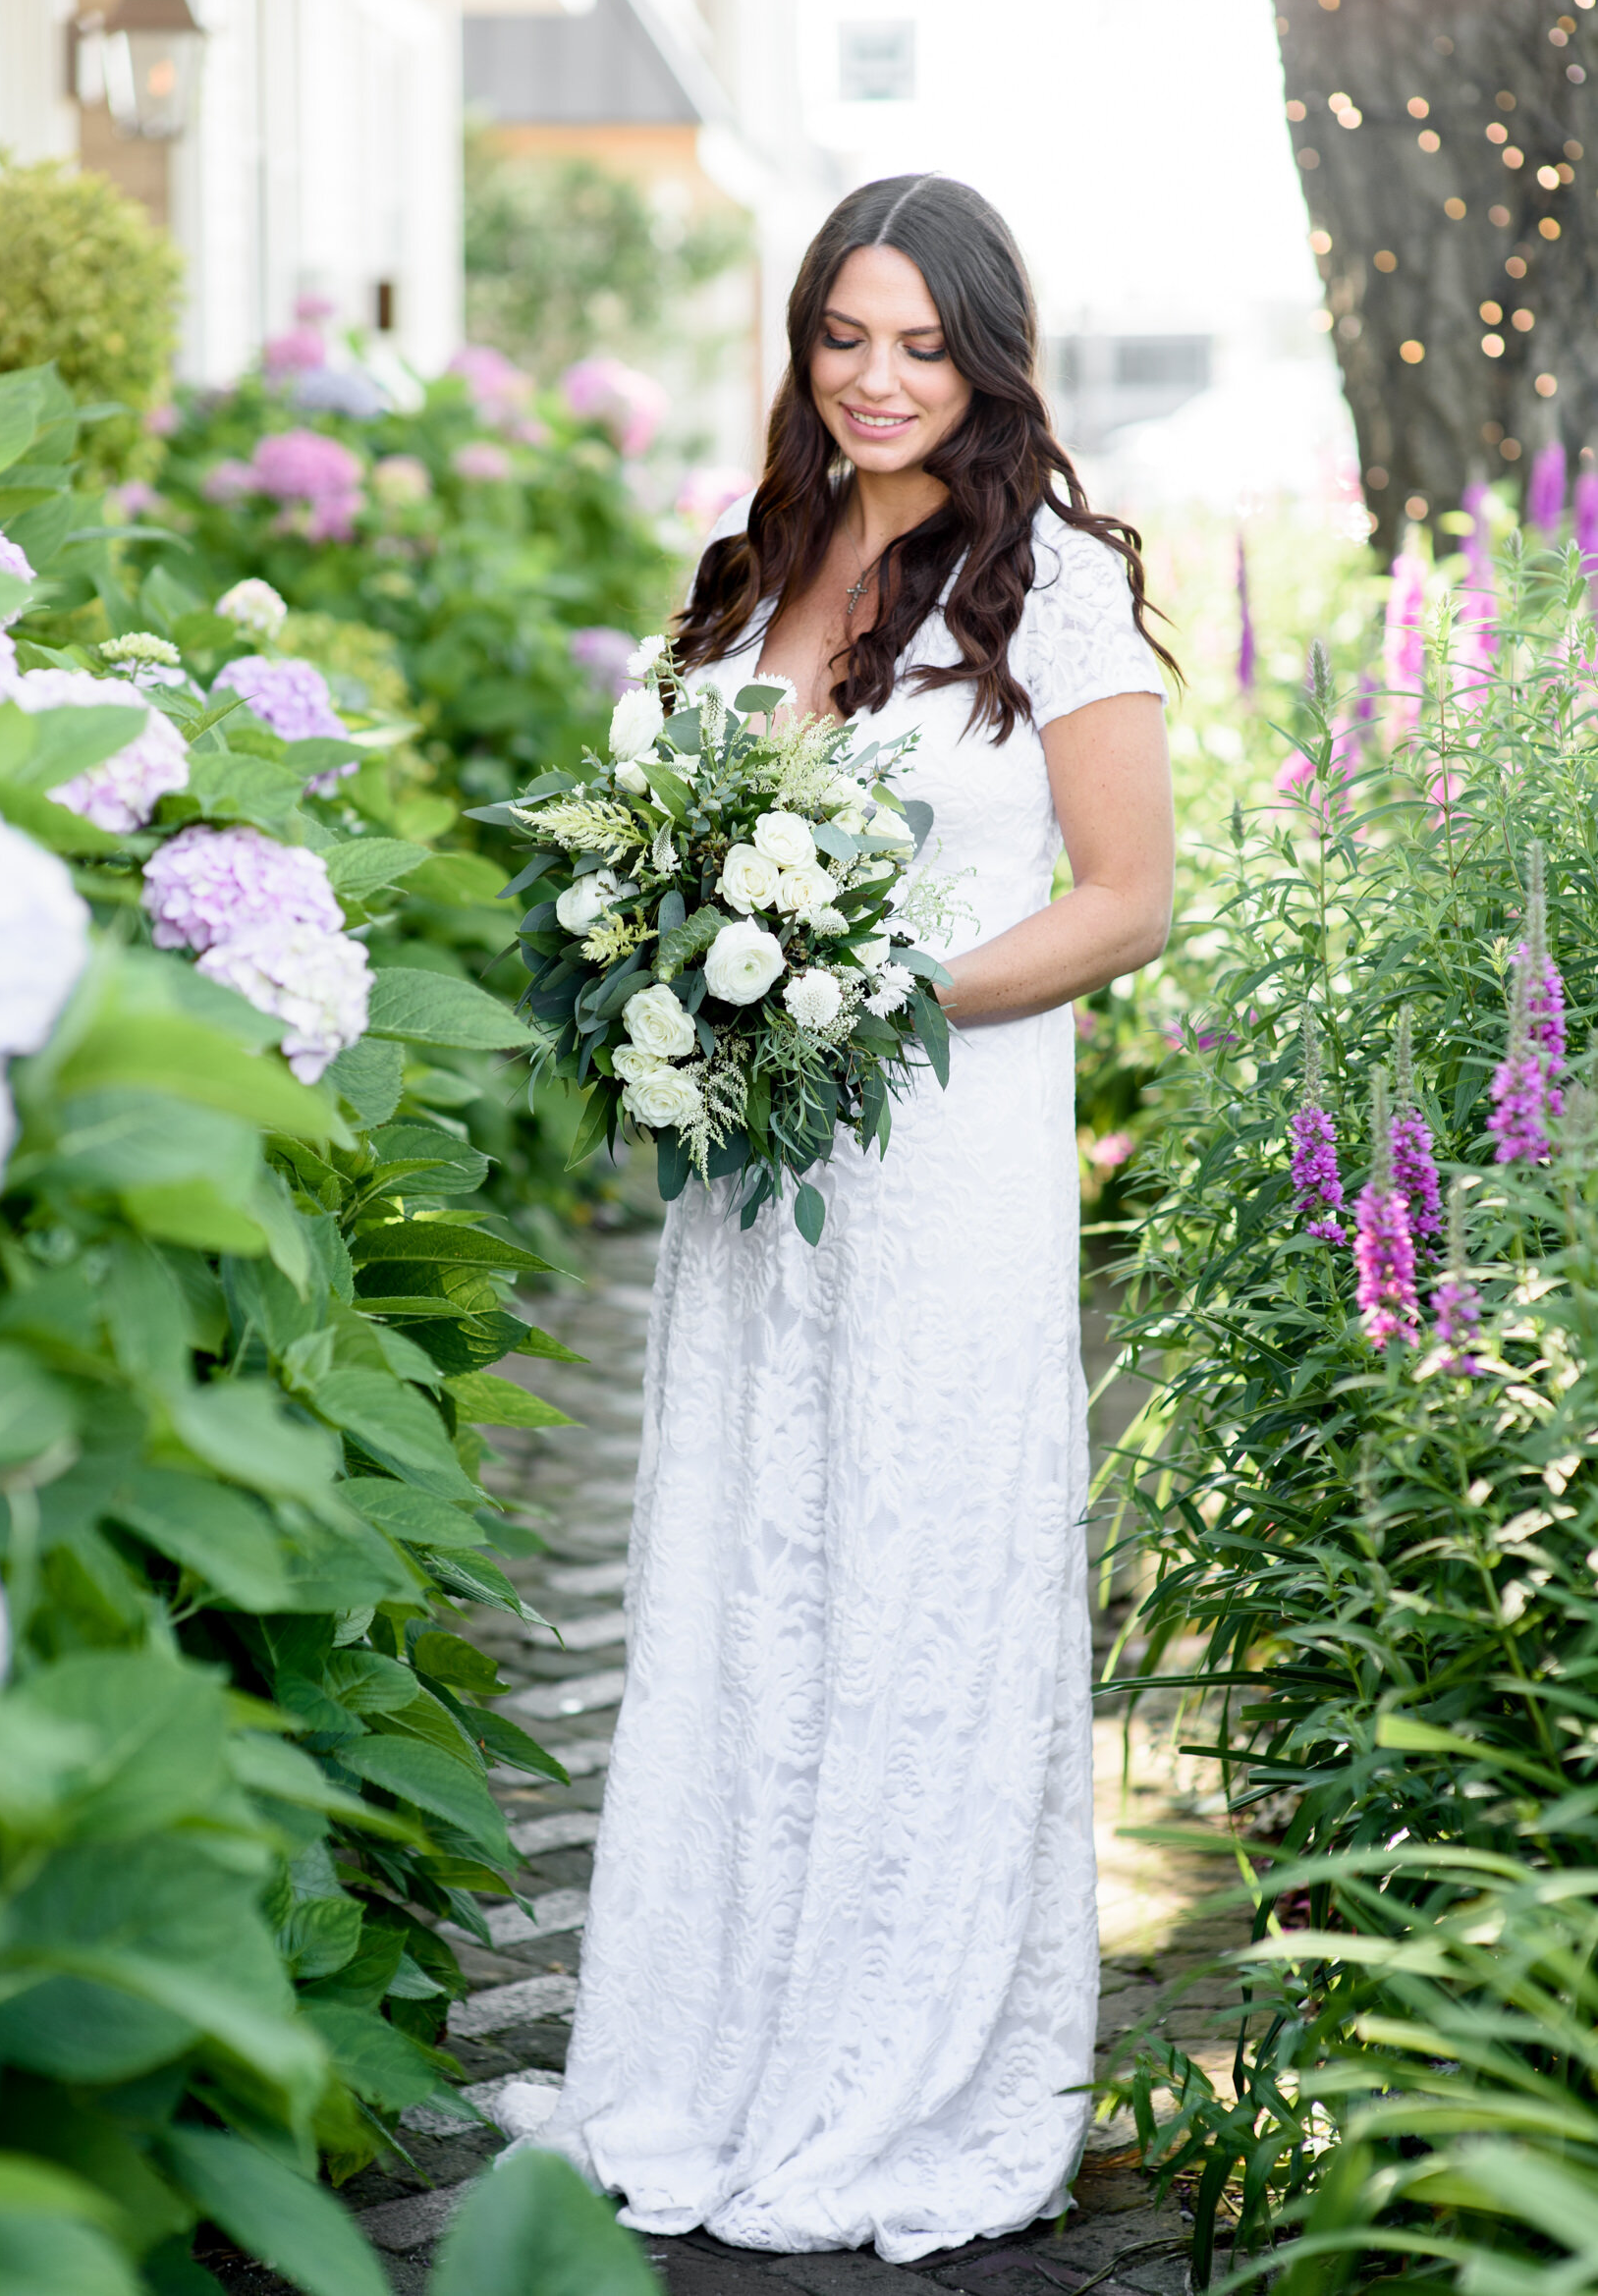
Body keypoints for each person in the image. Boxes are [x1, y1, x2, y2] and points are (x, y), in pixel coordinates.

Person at [536, 173, 1177, 2266]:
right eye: (844, 334)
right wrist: (671, 957)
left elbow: (1121, 898)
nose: (878, 378)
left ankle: (902, 2060)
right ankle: (713, 2041)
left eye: (920, 341)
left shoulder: (1051, 581)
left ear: (986, 352)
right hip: (759, 1181)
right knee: (746, 1573)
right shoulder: (755, 561)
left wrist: (878, 993)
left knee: (909, 1570)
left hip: (941, 1162)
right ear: (802, 343)